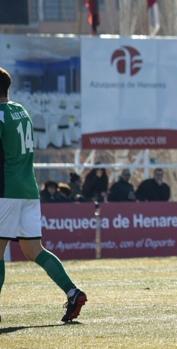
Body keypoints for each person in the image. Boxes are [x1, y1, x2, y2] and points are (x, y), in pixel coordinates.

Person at [0, 66, 87, 322]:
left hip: (7, 191)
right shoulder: (22, 111)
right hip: (28, 189)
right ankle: (73, 292)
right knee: (33, 250)